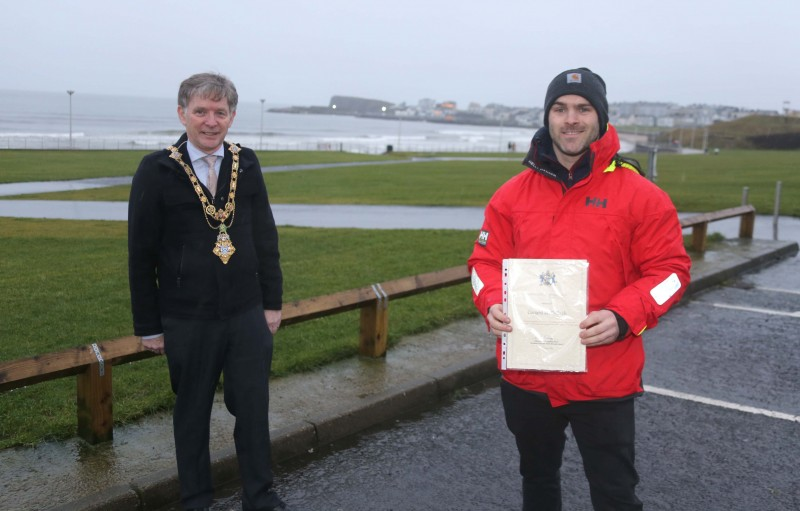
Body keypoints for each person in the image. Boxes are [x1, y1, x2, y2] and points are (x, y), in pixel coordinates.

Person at [467, 68, 692, 510]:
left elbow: (671, 272)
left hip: (604, 376)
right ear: (547, 116)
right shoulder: (510, 196)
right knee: (537, 480)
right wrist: (491, 300)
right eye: (560, 108)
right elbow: (483, 264)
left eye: (583, 109)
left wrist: (624, 315)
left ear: (601, 118)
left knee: (614, 493)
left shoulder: (641, 195)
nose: (571, 119)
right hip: (527, 375)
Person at [128, 72, 288, 511]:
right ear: (182, 113)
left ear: (232, 116)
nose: (211, 121)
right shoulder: (156, 170)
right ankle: (196, 500)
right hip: (187, 317)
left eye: (220, 112)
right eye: (201, 111)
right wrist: (148, 326)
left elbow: (265, 237)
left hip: (246, 313)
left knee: (253, 409)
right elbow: (140, 255)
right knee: (192, 413)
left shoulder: (246, 162)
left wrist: (272, 302)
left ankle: (260, 495)